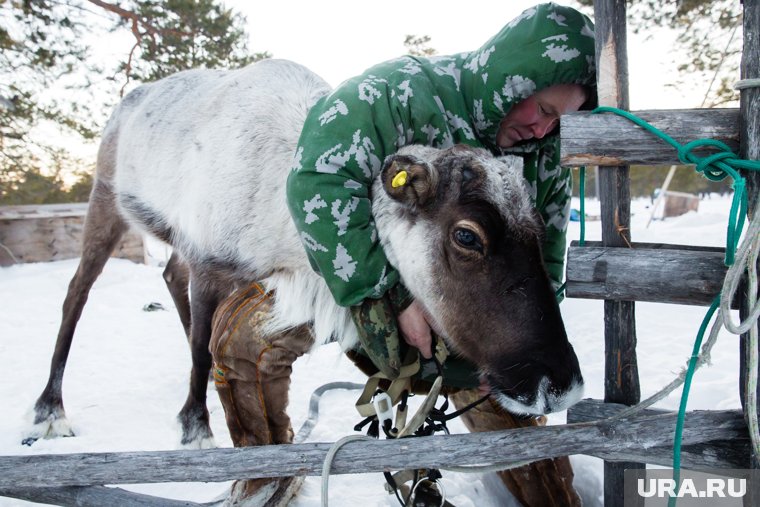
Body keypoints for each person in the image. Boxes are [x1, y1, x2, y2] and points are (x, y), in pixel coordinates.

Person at [213, 3, 596, 506]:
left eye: (561, 121)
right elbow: (317, 182)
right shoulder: (398, 94)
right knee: (242, 338)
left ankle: (550, 494)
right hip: (351, 282)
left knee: (527, 427)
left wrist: (513, 345)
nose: (544, 130)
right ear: (513, 82)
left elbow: (543, 259)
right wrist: (389, 298)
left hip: (468, 315)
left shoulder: (543, 157)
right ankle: (266, 479)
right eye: (543, 110)